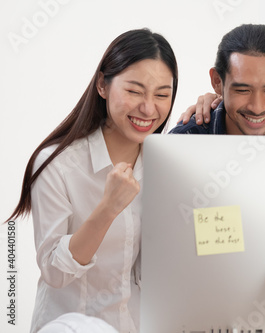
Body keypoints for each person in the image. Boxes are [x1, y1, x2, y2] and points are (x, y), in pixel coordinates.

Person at [7, 28, 178, 333]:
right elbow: (54, 271)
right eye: (135, 91)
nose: (149, 108)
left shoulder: (165, 165)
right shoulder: (58, 164)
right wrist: (108, 207)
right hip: (69, 325)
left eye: (162, 94)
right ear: (103, 85)